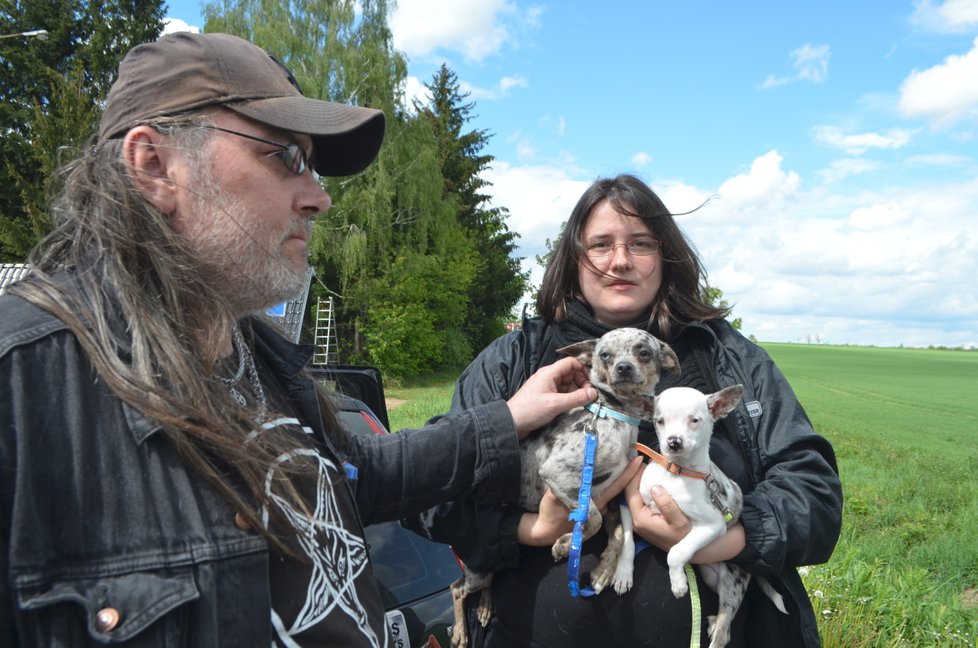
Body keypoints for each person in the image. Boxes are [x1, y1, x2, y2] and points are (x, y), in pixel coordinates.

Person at [0, 32, 599, 647]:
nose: (319, 197)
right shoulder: (21, 385)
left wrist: (511, 414)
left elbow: (361, 475)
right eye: (285, 156)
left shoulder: (260, 360)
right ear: (154, 164)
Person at [407, 174, 843, 647]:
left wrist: (727, 539)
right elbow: (433, 497)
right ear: (574, 259)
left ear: (666, 256)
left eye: (640, 243)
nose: (620, 261)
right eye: (600, 245)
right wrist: (532, 528)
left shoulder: (726, 357)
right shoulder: (516, 360)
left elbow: (814, 495)